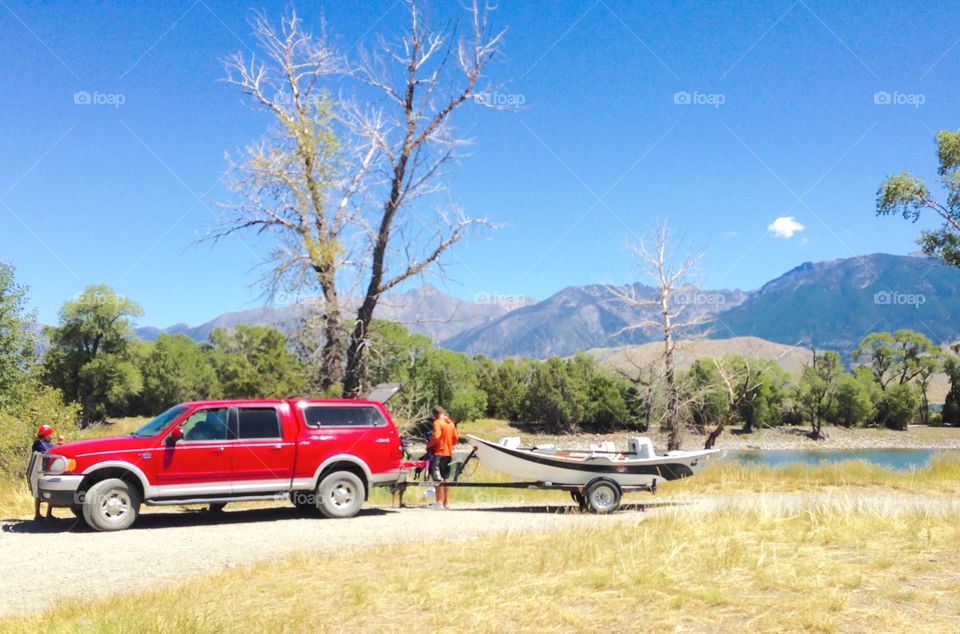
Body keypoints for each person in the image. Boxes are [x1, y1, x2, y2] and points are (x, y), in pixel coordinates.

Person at [426, 405, 459, 509]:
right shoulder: (451, 423)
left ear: (435, 414)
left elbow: (436, 435)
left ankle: (438, 502)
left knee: (437, 477)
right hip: (448, 453)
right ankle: (446, 503)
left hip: (439, 453)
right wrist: (450, 445)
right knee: (446, 478)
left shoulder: (437, 422)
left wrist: (429, 445)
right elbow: (456, 437)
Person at [30, 424, 63, 521]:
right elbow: (56, 451)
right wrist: (61, 443)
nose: (51, 436)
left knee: (37, 494)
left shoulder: (36, 444)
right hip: (45, 472)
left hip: (38, 472)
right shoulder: (44, 445)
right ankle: (48, 515)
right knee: (51, 491)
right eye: (50, 435)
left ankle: (37, 514)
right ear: (46, 435)